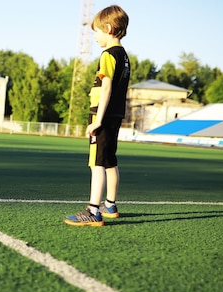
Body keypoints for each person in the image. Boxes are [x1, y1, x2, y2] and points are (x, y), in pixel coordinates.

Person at [64, 4, 130, 227]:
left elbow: (107, 88)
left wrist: (98, 121)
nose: (95, 37)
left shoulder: (108, 55)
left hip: (102, 116)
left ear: (109, 28)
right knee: (110, 161)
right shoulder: (124, 56)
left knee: (97, 163)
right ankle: (110, 205)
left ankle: (93, 211)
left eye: (97, 32)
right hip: (116, 115)